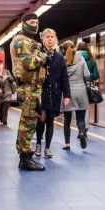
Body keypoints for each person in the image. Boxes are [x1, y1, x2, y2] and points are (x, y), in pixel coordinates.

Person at [10, 13, 47, 171]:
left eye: (37, 22)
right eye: (32, 22)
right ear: (24, 23)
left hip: (31, 87)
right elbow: (29, 63)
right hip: (29, 88)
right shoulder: (23, 41)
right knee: (28, 122)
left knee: (27, 122)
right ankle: (26, 158)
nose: (35, 25)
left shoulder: (28, 41)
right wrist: (44, 57)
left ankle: (24, 156)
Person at [35, 28, 70, 158]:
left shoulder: (60, 58)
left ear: (55, 39)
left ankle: (47, 148)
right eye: (47, 36)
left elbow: (64, 77)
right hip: (40, 93)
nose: (50, 39)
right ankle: (38, 144)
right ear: (43, 40)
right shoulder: (37, 55)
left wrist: (67, 95)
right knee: (41, 118)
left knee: (50, 121)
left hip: (54, 93)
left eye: (52, 36)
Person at [60, 40, 90, 150]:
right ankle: (82, 133)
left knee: (67, 120)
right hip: (81, 91)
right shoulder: (81, 59)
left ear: (63, 50)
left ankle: (67, 144)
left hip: (67, 92)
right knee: (80, 119)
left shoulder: (63, 61)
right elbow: (87, 74)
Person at [76, 41, 99, 130]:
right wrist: (89, 77)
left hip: (76, 85)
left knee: (77, 107)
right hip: (87, 85)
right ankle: (85, 127)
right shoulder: (92, 59)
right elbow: (96, 75)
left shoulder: (74, 58)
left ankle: (80, 127)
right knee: (85, 107)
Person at [0, 60, 15, 125]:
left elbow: (12, 79)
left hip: (8, 92)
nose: (1, 65)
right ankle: (2, 119)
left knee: (5, 108)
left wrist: (7, 77)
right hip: (0, 94)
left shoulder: (6, 72)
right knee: (0, 110)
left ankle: (5, 121)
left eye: (1, 64)